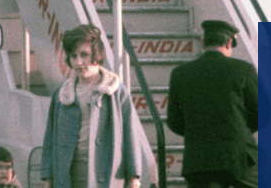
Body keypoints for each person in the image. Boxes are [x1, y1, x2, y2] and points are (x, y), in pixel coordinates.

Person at [41, 25, 143, 188]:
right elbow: (50, 139)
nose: (78, 62)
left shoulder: (116, 91)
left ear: (96, 55)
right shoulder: (61, 95)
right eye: (73, 56)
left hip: (108, 174)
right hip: (68, 175)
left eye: (84, 55)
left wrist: (134, 177)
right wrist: (48, 178)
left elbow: (130, 134)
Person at [166, 20, 259, 188]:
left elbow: (174, 121)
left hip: (199, 161)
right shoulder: (243, 69)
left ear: (203, 42)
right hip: (240, 157)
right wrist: (239, 130)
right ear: (229, 43)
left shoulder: (180, 73)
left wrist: (199, 132)